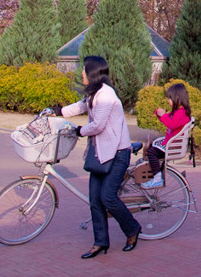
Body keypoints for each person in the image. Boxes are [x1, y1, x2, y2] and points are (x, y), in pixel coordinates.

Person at [56, 56, 141, 259]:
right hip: (100, 154)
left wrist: (78, 131)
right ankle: (100, 242)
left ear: (93, 72)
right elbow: (80, 106)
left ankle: (132, 229)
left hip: (118, 153)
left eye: (84, 70)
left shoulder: (106, 95)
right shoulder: (94, 94)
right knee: (95, 200)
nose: (82, 73)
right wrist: (58, 111)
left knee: (107, 197)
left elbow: (98, 125)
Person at [142, 83, 192, 190]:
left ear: (177, 98)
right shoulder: (177, 112)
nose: (168, 101)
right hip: (168, 144)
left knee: (151, 152)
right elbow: (167, 119)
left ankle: (157, 178)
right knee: (150, 149)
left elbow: (171, 124)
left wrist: (163, 115)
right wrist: (159, 114)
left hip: (172, 146)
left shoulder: (181, 114)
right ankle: (152, 170)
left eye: (170, 98)